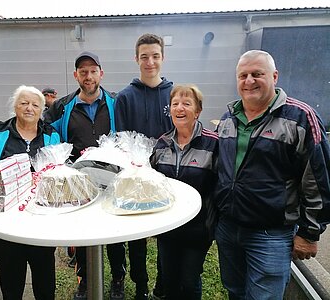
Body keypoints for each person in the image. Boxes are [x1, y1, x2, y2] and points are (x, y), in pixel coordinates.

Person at [214, 50, 330, 299]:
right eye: (243, 75)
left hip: (270, 235)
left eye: (257, 74)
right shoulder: (228, 120)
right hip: (229, 228)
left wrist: (309, 233)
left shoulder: (300, 118)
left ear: (274, 76)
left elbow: (318, 180)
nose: (249, 81)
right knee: (234, 290)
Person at [44, 51, 126, 300]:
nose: (88, 76)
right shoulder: (62, 106)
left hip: (113, 179)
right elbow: (45, 131)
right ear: (75, 75)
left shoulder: (115, 101)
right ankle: (84, 281)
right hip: (77, 182)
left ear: (101, 73)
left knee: (114, 234)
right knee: (81, 233)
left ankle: (117, 279)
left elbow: (127, 133)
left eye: (93, 71)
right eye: (83, 72)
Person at [0, 85, 61, 300]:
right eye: (24, 103)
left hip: (41, 224)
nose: (29, 108)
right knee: (11, 283)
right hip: (4, 224)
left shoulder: (52, 136)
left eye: (35, 105)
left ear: (42, 110)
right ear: (15, 106)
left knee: (45, 282)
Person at [115, 33, 173, 300]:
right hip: (135, 177)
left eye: (155, 56)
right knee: (136, 237)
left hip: (168, 176)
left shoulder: (173, 94)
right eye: (144, 57)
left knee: (167, 237)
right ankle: (140, 285)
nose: (150, 62)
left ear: (163, 57)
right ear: (136, 59)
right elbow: (121, 139)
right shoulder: (125, 97)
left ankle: (162, 286)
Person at [150, 84, 218, 299]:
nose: (180, 108)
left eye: (187, 104)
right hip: (168, 228)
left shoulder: (212, 143)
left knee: (189, 281)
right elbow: (152, 182)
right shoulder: (161, 144)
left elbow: (221, 185)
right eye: (175, 103)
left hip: (198, 228)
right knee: (169, 279)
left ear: (197, 111)